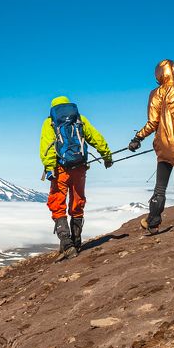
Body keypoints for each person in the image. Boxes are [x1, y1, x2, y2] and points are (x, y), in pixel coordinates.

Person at [129, 59, 174, 234]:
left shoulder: (157, 93)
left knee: (160, 187)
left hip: (165, 146)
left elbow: (153, 122)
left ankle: (153, 222)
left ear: (160, 74)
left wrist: (138, 137)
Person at [40, 96, 113, 261]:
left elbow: (47, 146)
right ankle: (77, 241)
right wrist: (106, 155)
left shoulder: (50, 122)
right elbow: (96, 138)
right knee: (77, 201)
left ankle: (66, 244)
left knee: (57, 203)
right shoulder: (80, 119)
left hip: (60, 169)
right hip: (79, 167)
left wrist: (50, 166)